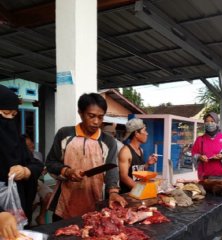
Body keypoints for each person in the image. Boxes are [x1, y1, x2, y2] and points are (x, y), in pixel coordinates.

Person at [46, 93, 127, 221]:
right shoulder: (65, 134)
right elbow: (50, 162)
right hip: (64, 203)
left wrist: (113, 193)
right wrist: (67, 171)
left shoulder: (108, 141)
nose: (96, 122)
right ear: (81, 113)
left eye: (100, 117)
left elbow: (111, 169)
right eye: (91, 116)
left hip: (94, 202)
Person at [0, 85, 43, 238]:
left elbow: (36, 164)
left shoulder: (17, 142)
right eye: (5, 114)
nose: (10, 120)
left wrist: (26, 171)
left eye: (14, 115)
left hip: (18, 219)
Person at [191, 112, 222, 183]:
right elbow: (194, 154)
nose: (209, 124)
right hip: (205, 177)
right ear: (204, 123)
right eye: (207, 121)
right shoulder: (200, 139)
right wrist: (199, 157)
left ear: (217, 122)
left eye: (212, 121)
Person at [118, 118, 158, 194]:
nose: (147, 133)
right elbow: (123, 177)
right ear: (136, 133)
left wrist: (148, 164)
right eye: (144, 130)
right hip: (128, 195)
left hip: (138, 193)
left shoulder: (140, 150)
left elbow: (138, 171)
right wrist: (142, 190)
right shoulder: (125, 151)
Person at [24, 135, 52, 225]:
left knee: (50, 195)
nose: (31, 149)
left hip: (37, 181)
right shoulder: (19, 157)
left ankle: (41, 216)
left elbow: (42, 170)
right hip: (26, 183)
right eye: (27, 147)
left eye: (31, 146)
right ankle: (27, 220)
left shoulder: (38, 154)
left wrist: (45, 172)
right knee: (34, 200)